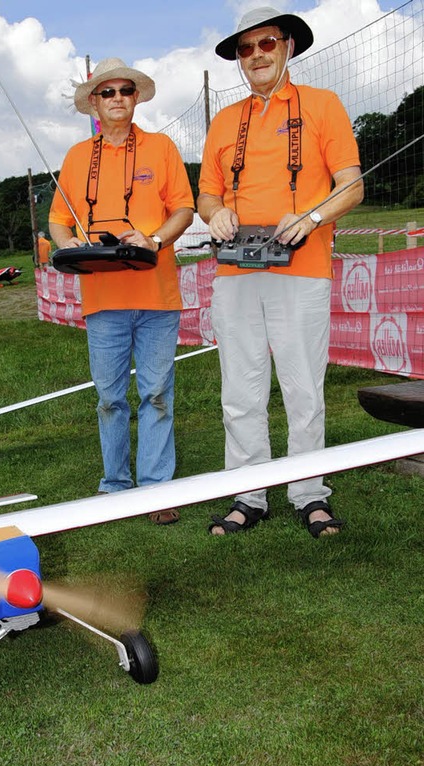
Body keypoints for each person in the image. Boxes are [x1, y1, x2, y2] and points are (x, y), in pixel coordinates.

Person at [197, 7, 363, 538]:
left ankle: (310, 493)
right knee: (240, 389)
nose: (256, 56)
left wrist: (311, 216)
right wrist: (214, 212)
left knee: (303, 386)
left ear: (288, 46)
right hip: (235, 274)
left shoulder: (323, 105)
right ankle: (248, 494)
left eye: (266, 43)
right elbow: (206, 192)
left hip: (303, 265)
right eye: (245, 49)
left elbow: (351, 184)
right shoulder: (224, 121)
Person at [49, 57, 194, 524]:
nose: (117, 99)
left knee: (156, 394)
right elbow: (58, 219)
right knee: (110, 398)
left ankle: (155, 489)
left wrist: (152, 239)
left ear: (135, 98)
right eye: (107, 92)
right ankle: (115, 485)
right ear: (94, 102)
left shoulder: (162, 147)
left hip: (156, 296)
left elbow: (185, 210)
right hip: (103, 301)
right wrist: (67, 242)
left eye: (124, 92)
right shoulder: (75, 157)